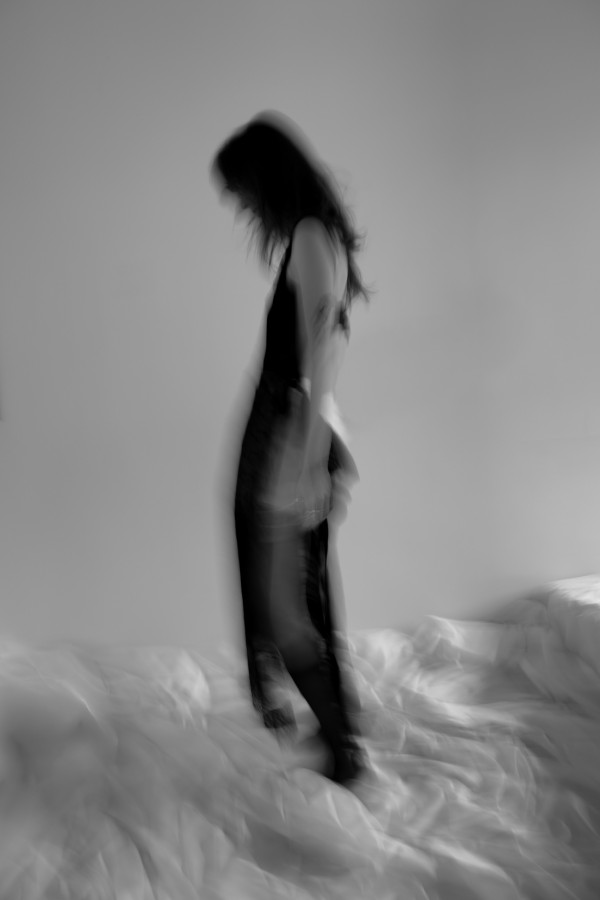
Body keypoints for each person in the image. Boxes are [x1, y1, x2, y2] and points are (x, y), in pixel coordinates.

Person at [210, 111, 374, 786]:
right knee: (291, 591)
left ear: (268, 179)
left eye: (243, 192)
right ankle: (336, 730)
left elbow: (323, 355)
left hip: (288, 433)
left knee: (285, 603)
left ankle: (343, 751)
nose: (243, 207)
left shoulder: (310, 237)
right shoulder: (313, 236)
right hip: (283, 429)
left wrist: (306, 461)